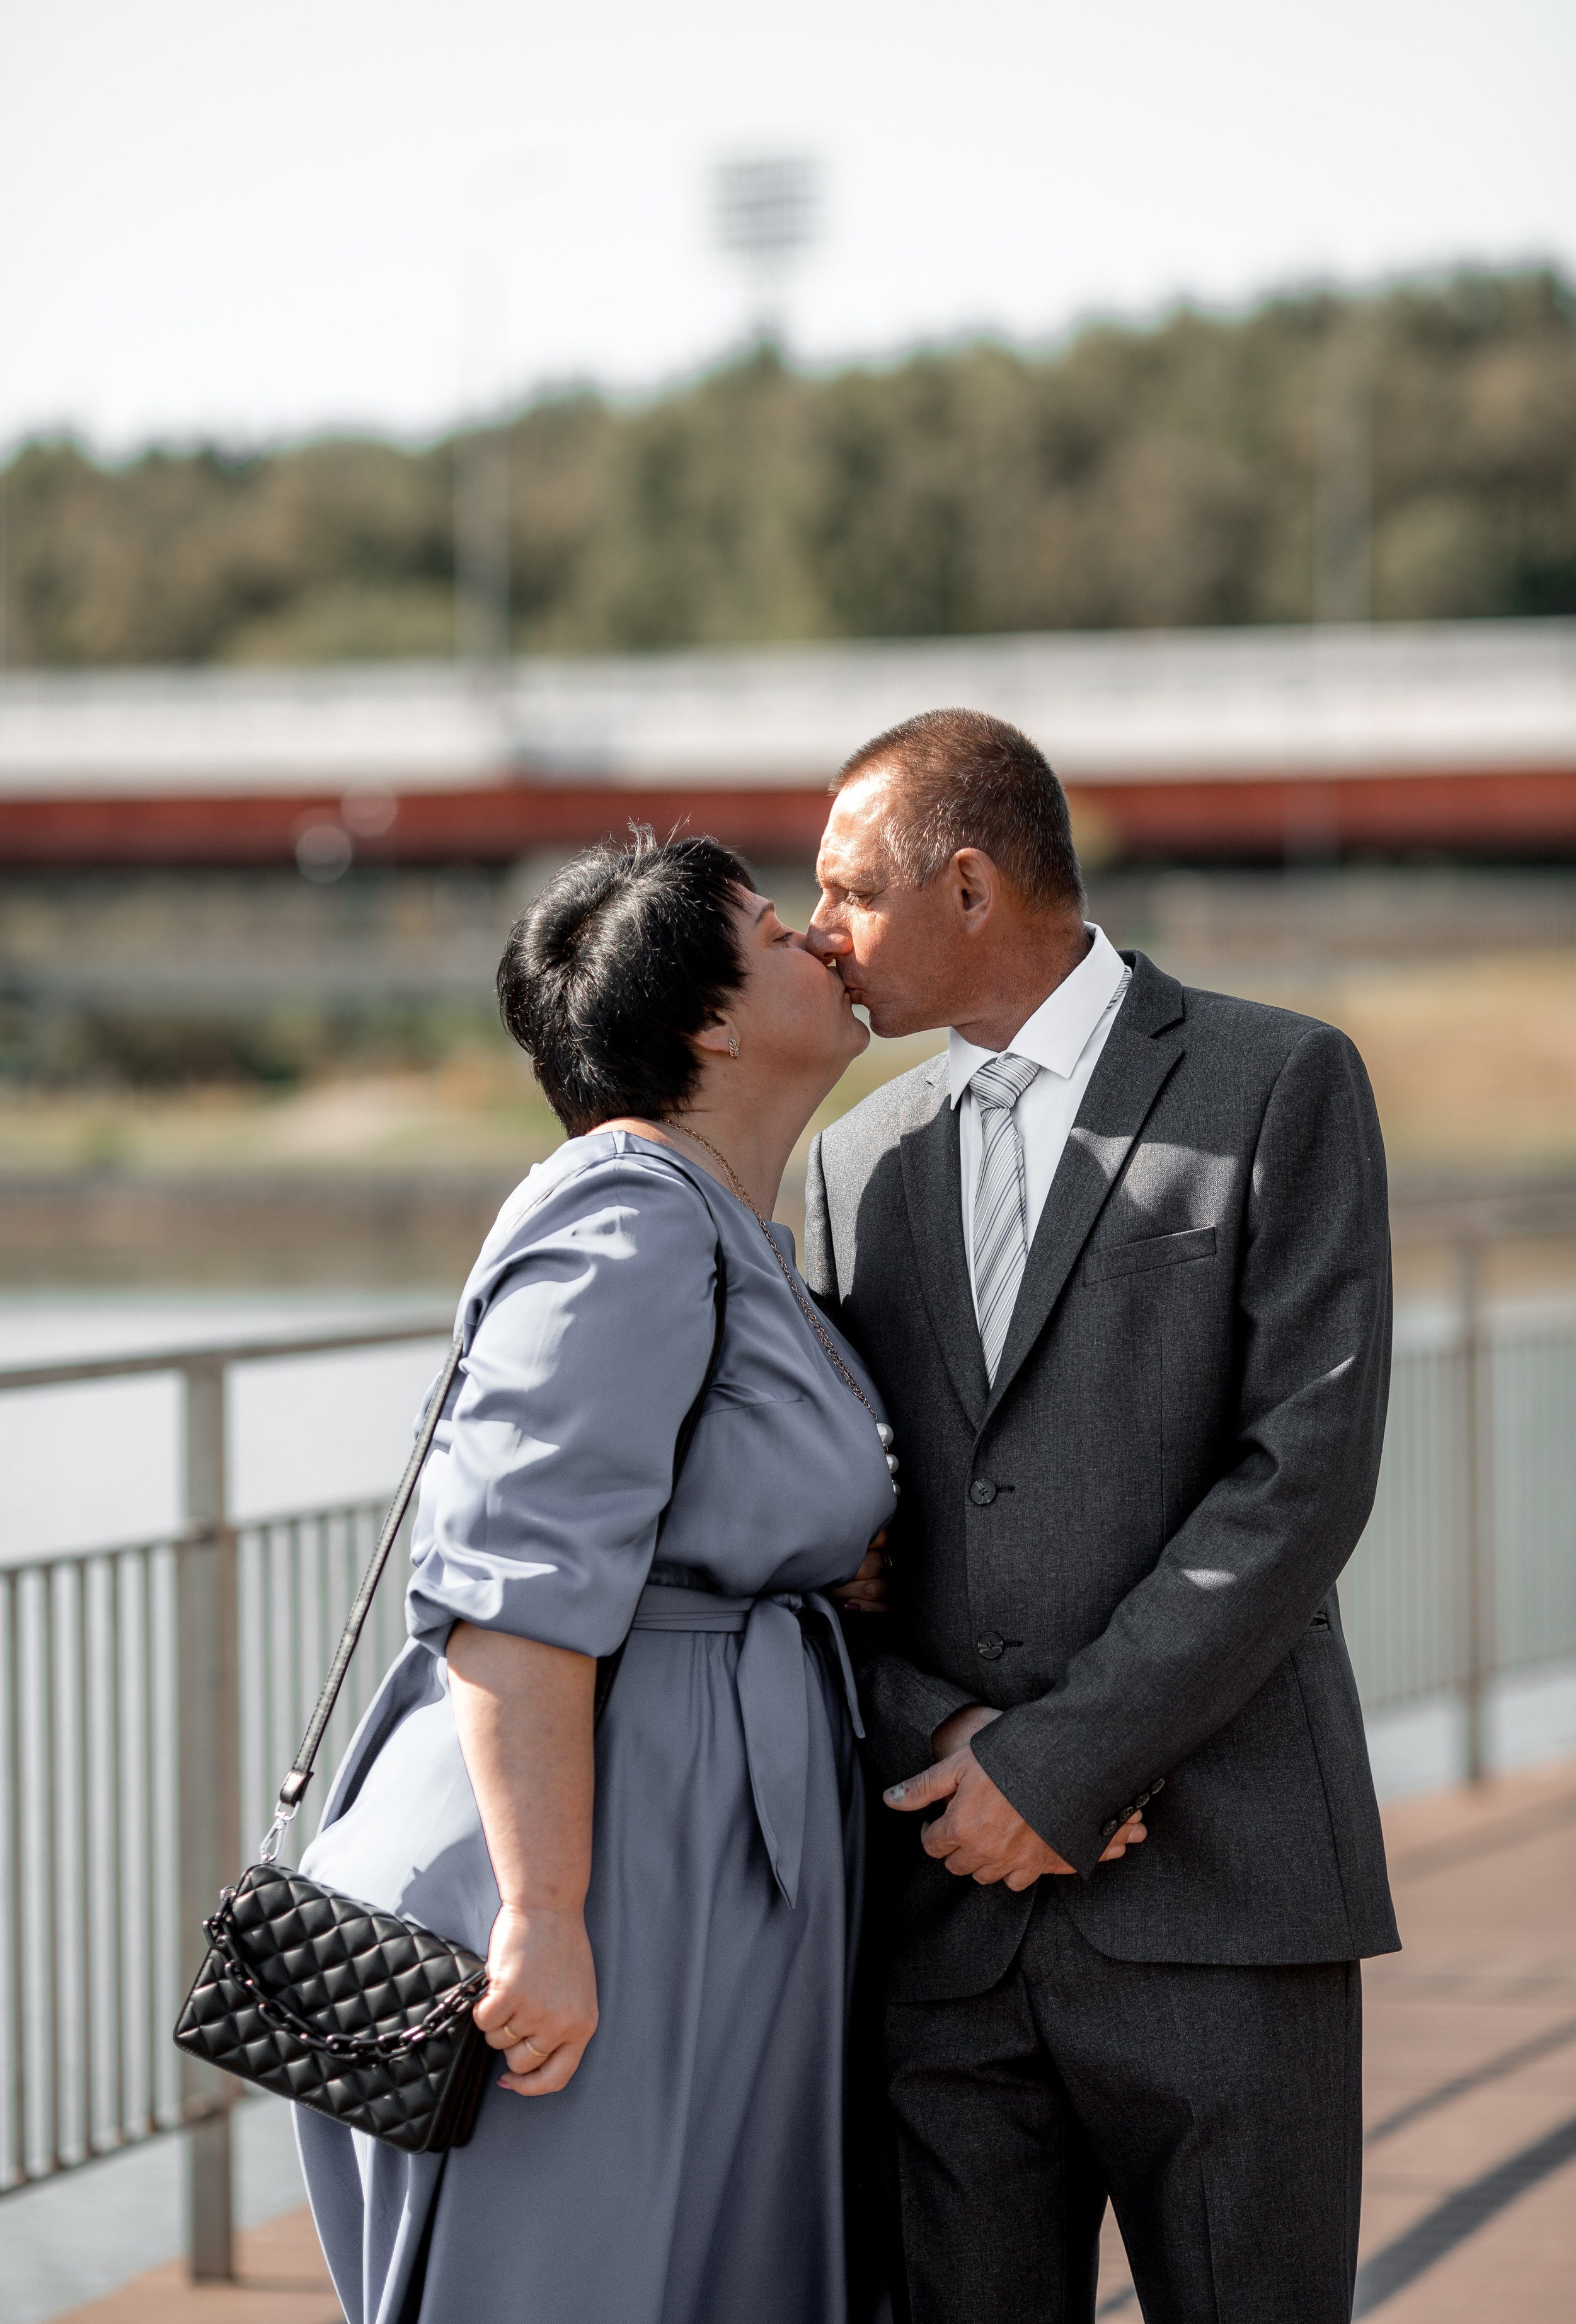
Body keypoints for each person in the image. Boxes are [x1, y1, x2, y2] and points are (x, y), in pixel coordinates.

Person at [805, 708, 1399, 2324]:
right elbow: (826, 1543)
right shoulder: (849, 1165)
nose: (817, 934)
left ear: (972, 885)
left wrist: (1063, 1766)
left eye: (850, 890)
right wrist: (955, 1753)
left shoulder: (1276, 1082)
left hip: (1222, 1903)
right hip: (948, 1932)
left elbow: (1303, 1479)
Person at [292, 831, 897, 2324]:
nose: (821, 940)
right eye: (772, 929)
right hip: (580, 1863)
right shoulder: (623, 1214)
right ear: (707, 1020)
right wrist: (545, 1912)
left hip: (676, 1838)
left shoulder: (722, 1227)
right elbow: (512, 1580)